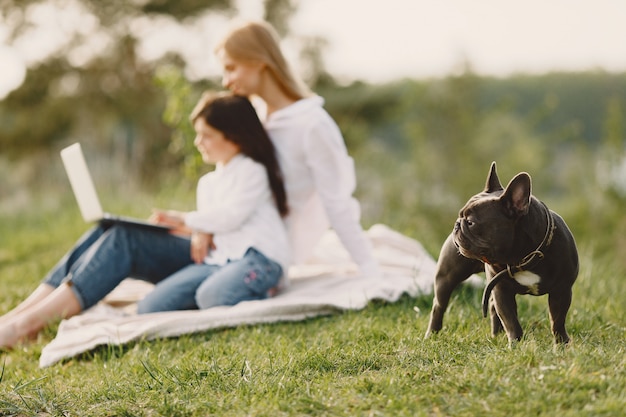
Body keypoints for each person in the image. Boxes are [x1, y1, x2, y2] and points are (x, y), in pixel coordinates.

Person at [0, 92, 290, 349]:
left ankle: (27, 327)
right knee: (149, 299)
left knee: (212, 295)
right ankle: (19, 316)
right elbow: (217, 227)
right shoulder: (209, 183)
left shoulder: (253, 171)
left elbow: (231, 216)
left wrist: (189, 220)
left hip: (256, 260)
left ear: (235, 137)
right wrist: (197, 230)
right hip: (218, 261)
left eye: (207, 135)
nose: (198, 142)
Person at [213, 20, 380, 278]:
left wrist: (369, 268)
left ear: (259, 61)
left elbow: (337, 203)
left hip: (265, 252)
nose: (225, 81)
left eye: (231, 68)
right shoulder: (254, 116)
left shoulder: (312, 125)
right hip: (229, 236)